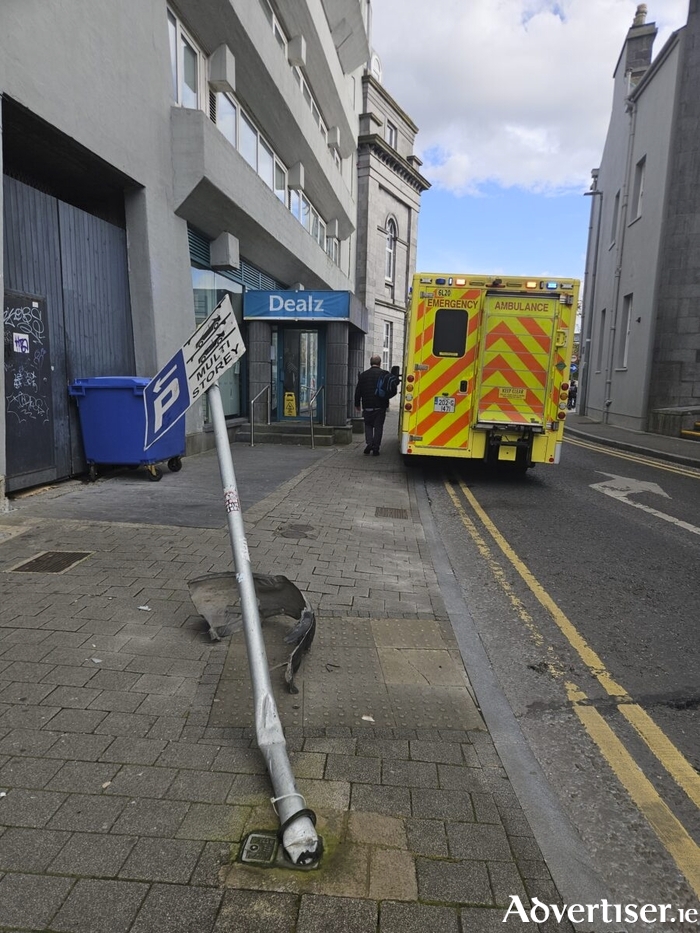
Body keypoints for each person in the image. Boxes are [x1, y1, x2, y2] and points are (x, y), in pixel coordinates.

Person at [354, 354, 390, 456]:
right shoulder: (385, 374)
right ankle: (376, 448)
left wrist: (357, 404)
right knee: (378, 427)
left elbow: (358, 391)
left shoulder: (363, 375)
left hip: (367, 406)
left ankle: (369, 443)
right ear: (380, 363)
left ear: (370, 363)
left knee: (368, 425)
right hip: (380, 406)